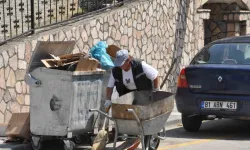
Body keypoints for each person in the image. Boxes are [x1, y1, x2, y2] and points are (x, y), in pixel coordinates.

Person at [104, 49, 159, 149]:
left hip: (143, 92)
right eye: (119, 64)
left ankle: (146, 143)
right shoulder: (115, 71)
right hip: (128, 93)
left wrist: (156, 91)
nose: (120, 66)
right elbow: (110, 86)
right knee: (128, 117)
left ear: (128, 60)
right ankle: (131, 138)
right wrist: (108, 100)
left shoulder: (140, 65)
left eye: (122, 63)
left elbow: (155, 76)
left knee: (144, 119)